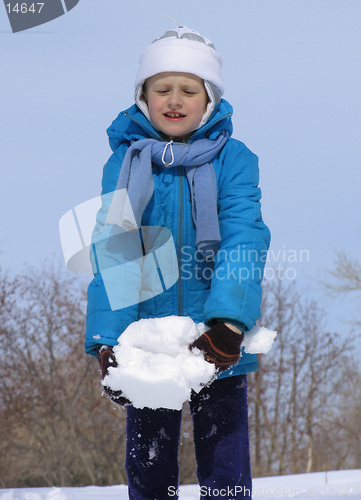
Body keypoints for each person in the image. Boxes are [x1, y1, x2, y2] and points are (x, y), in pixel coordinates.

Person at [86, 24, 270, 500]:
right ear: (143, 97)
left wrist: (229, 322)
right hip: (148, 341)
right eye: (161, 88)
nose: (174, 99)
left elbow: (244, 238)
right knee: (149, 469)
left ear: (208, 99)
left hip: (216, 340)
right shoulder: (127, 163)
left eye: (188, 89)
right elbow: (116, 249)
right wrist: (109, 341)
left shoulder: (234, 160)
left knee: (225, 469)